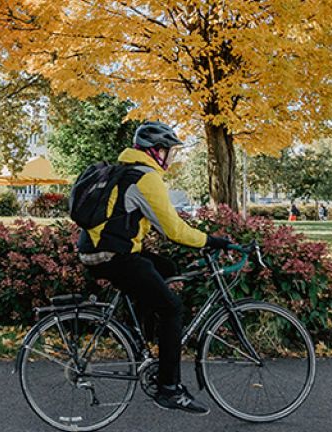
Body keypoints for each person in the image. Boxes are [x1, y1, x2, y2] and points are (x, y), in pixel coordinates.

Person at [77, 121, 231, 416]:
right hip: (112, 255)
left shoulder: (127, 170)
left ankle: (147, 342)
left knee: (166, 267)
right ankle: (169, 388)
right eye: (171, 152)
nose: (174, 158)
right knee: (172, 308)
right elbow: (173, 229)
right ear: (157, 151)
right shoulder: (146, 178)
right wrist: (210, 241)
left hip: (103, 249)